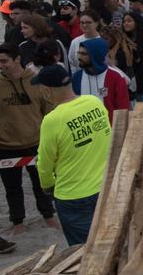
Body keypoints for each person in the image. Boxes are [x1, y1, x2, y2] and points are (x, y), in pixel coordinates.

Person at [0, 44, 61, 233]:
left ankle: (48, 215)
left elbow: (49, 110)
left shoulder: (36, 81)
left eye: (4, 61)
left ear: (17, 59)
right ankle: (17, 221)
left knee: (42, 182)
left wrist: (51, 137)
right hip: (5, 145)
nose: (0, 65)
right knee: (12, 187)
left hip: (35, 142)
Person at [38, 86, 113, 246]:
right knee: (110, 241)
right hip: (105, 185)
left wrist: (47, 185)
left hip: (72, 195)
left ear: (47, 90)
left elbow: (44, 162)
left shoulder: (52, 119)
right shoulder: (94, 101)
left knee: (82, 251)